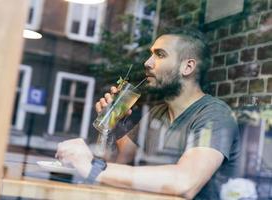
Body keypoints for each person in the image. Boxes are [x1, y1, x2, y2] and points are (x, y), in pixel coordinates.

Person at [55, 27, 240, 200]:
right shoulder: (157, 113)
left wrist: (92, 169)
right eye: (151, 54)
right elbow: (121, 160)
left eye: (159, 55)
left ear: (188, 67)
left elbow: (184, 182)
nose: (147, 63)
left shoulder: (215, 115)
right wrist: (111, 127)